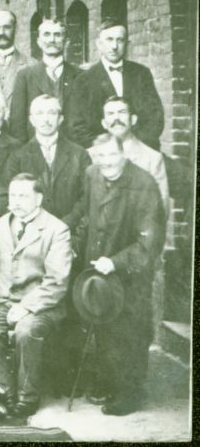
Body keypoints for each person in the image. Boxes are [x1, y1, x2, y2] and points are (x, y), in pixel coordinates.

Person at [75, 134, 165, 416]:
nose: (107, 162)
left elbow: (149, 242)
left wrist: (115, 262)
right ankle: (111, 384)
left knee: (130, 332)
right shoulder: (92, 175)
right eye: (100, 156)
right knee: (104, 327)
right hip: (99, 270)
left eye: (112, 155)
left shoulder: (144, 184)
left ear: (124, 154)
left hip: (130, 274)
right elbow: (88, 217)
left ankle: (131, 394)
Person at [0, 174, 72, 418]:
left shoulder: (57, 229)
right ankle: (4, 392)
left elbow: (57, 282)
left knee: (26, 330)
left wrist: (27, 306)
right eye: (12, 195)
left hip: (42, 305)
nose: (16, 202)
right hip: (4, 300)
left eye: (23, 196)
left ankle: (27, 397)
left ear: (38, 199)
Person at [70, 19, 165, 149]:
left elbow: (155, 118)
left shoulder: (141, 74)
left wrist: (133, 146)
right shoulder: (83, 80)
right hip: (103, 154)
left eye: (120, 40)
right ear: (99, 44)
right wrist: (109, 148)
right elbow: (77, 127)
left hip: (141, 150)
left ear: (127, 44)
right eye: (109, 40)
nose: (114, 46)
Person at [2, 95, 89, 227]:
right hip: (31, 231)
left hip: (71, 229)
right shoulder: (18, 156)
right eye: (40, 113)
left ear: (60, 119)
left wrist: (66, 223)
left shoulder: (80, 154)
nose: (46, 119)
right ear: (32, 120)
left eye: (52, 113)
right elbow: (5, 197)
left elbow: (87, 195)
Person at [9, 17, 81, 142]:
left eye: (57, 35)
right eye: (47, 34)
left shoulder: (80, 76)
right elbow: (17, 123)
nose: (52, 40)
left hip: (72, 148)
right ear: (39, 41)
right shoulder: (25, 76)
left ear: (67, 42)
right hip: (35, 148)